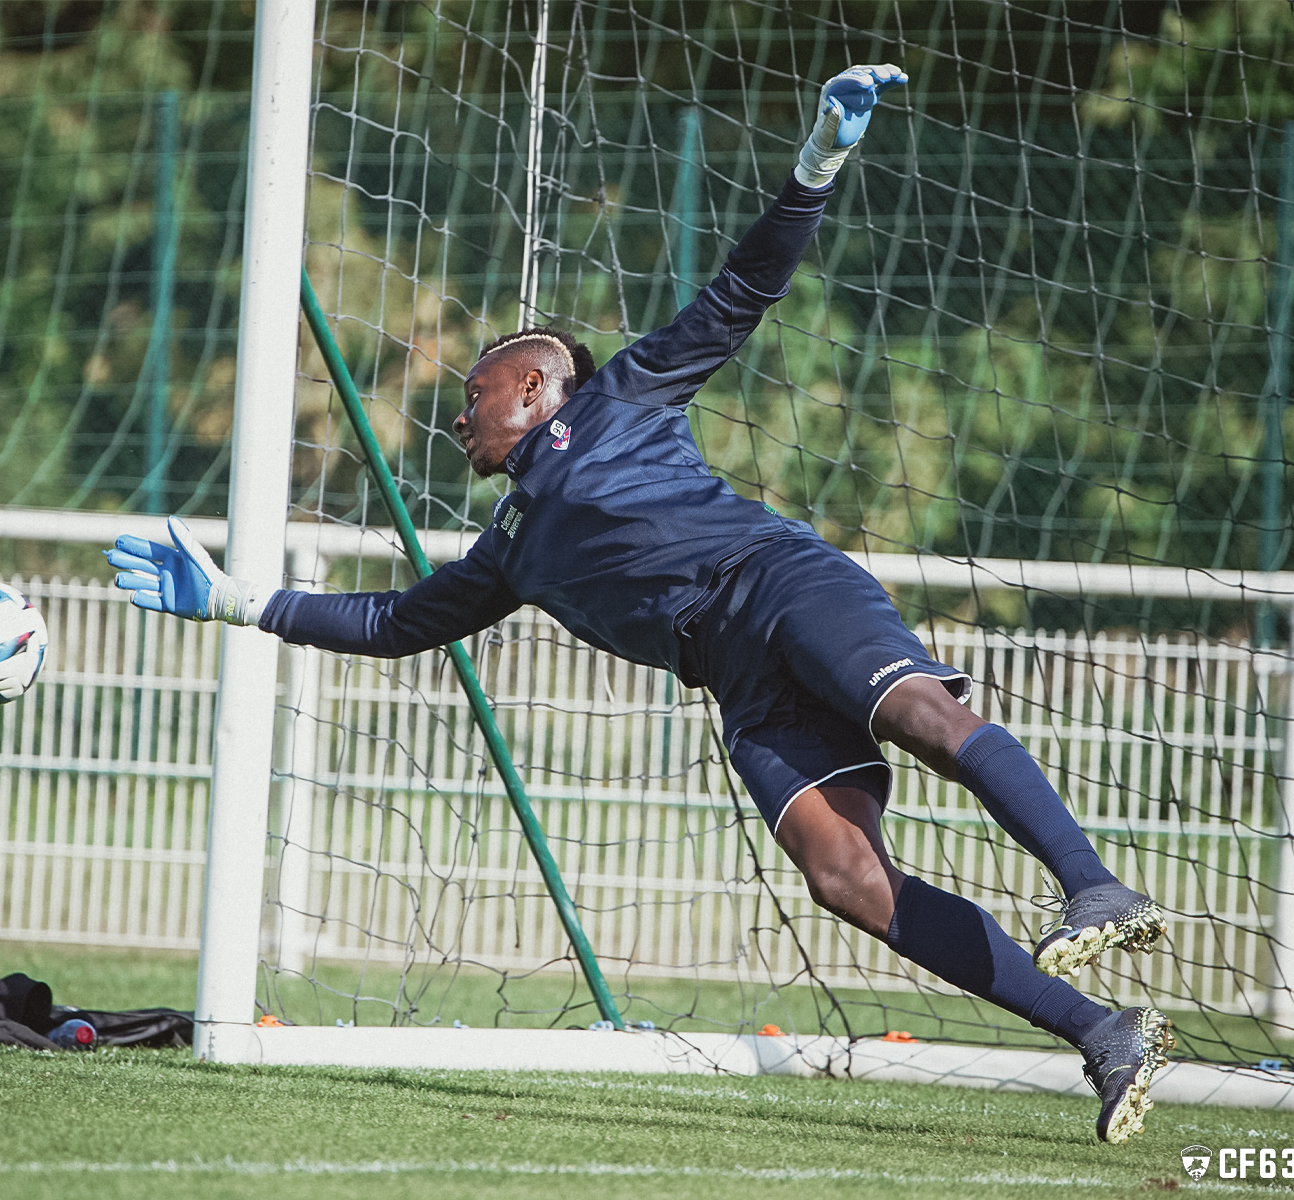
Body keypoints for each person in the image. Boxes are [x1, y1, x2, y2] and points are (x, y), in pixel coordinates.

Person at [108, 65, 1172, 1144]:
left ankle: (1092, 888)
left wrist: (818, 162)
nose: (455, 415)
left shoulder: (621, 395)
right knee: (846, 879)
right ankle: (1100, 1032)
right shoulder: (506, 551)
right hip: (738, 679)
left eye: (470, 394)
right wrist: (235, 602)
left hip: (781, 584)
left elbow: (743, 290)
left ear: (531, 387)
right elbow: (392, 626)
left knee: (917, 712)